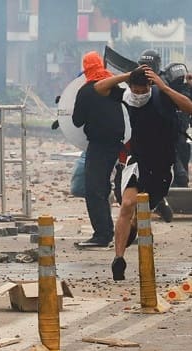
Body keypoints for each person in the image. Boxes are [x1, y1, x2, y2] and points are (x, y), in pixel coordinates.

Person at [94, 65, 192, 280]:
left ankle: (137, 223)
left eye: (143, 91)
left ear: (150, 86)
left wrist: (163, 87)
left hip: (161, 164)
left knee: (142, 207)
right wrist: (128, 75)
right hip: (135, 160)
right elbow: (100, 87)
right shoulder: (125, 96)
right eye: (135, 90)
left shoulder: (161, 97)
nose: (139, 95)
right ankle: (118, 259)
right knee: (127, 204)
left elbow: (189, 108)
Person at [71, 51, 125, 248]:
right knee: (111, 188)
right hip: (119, 144)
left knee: (94, 189)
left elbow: (77, 121)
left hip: (100, 145)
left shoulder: (86, 91)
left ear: (86, 69)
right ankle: (124, 230)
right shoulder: (115, 87)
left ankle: (102, 235)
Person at [136, 49, 174, 221]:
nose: (146, 72)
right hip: (138, 148)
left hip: (162, 145)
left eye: (149, 68)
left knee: (160, 184)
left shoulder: (164, 85)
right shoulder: (133, 84)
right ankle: (137, 228)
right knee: (134, 191)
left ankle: (158, 203)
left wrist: (163, 87)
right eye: (143, 67)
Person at [162, 62, 191, 187]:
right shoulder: (165, 92)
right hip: (168, 139)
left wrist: (189, 86)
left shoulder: (186, 92)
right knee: (180, 175)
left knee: (182, 179)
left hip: (182, 139)